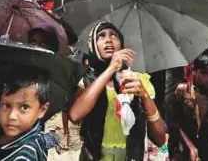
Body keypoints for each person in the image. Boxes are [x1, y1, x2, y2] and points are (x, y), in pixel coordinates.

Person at [68, 21, 167, 161]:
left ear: (122, 45)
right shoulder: (87, 80)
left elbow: (160, 139)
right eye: (101, 36)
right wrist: (111, 69)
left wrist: (144, 95)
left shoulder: (137, 81)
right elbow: (75, 115)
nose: (108, 40)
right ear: (93, 46)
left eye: (114, 35)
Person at [165, 51, 208, 161]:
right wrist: (189, 146)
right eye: (204, 73)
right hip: (183, 148)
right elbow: (173, 122)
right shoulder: (183, 91)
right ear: (194, 71)